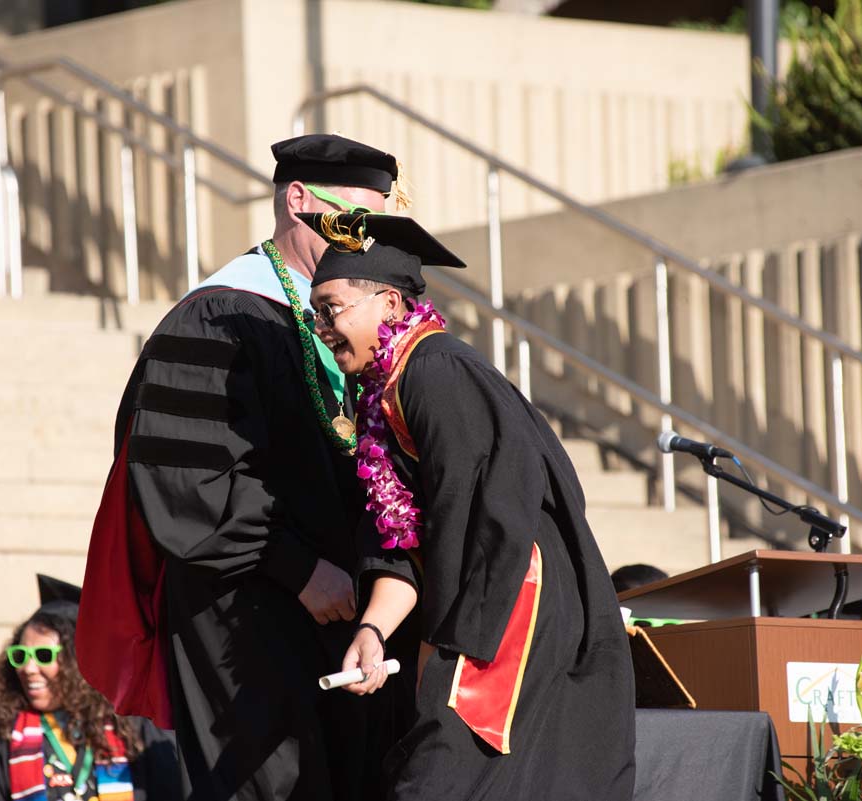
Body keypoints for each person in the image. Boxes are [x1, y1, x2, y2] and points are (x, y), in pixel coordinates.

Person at [77, 135, 414, 801]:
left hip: (338, 613)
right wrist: (297, 567)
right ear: (296, 201)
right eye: (352, 220)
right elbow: (184, 482)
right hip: (243, 613)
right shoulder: (218, 316)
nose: (364, 242)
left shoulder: (340, 317)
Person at [304, 212, 636, 800]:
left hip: (508, 601)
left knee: (445, 780)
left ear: (387, 303)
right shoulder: (384, 393)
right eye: (315, 315)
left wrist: (444, 644)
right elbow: (401, 536)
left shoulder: (438, 371)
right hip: (482, 603)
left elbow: (487, 516)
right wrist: (374, 631)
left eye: (331, 310)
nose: (322, 329)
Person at [0, 576, 178, 801]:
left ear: (79, 662)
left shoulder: (132, 727)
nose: (28, 668)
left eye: (44, 656)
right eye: (20, 655)